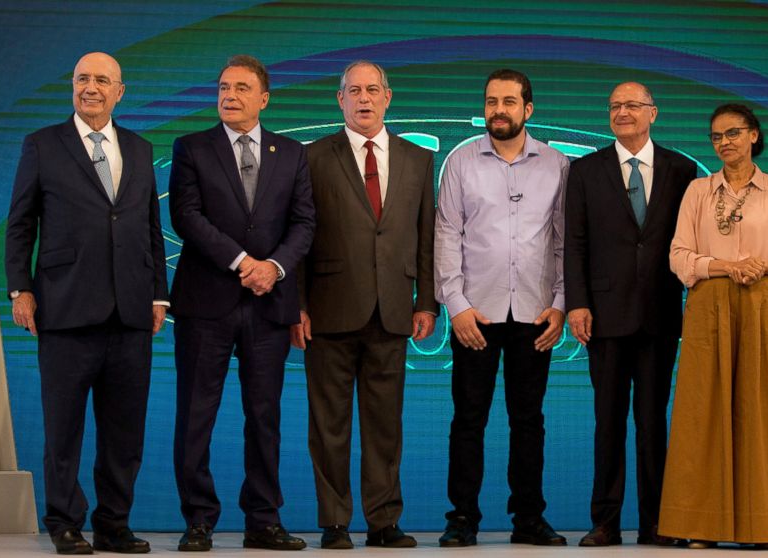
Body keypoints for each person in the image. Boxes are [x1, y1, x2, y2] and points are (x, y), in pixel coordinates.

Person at [4, 51, 167, 555]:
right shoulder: (42, 144)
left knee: (125, 431)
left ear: (120, 91)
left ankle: (114, 524)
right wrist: (20, 289)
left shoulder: (139, 148)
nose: (90, 87)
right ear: (72, 86)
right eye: (81, 79)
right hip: (64, 308)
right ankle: (64, 523)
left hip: (131, 313)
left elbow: (150, 227)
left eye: (101, 80)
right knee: (64, 428)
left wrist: (158, 294)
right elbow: (20, 223)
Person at [168, 54, 314, 552]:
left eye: (241, 88)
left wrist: (273, 268)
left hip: (269, 304)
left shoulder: (291, 153)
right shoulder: (191, 147)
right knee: (195, 414)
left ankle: (263, 520)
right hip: (205, 303)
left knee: (264, 416)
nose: (229, 95)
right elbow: (186, 216)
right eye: (224, 87)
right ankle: (198, 520)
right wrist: (241, 262)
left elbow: (304, 224)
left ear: (264, 98)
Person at [290, 60, 437, 550]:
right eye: (354, 91)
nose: (364, 98)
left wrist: (426, 301)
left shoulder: (418, 159)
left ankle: (383, 522)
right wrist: (297, 305)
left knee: (385, 426)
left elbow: (426, 236)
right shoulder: (311, 157)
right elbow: (299, 237)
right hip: (328, 311)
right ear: (340, 100)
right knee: (328, 425)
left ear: (388, 97)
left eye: (372, 89)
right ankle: (334, 522)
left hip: (393, 310)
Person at [658, 103, 768, 549]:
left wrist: (767, 265)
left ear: (754, 135)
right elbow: (679, 255)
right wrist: (724, 266)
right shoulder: (697, 191)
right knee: (703, 411)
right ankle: (702, 526)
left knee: (762, 407)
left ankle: (763, 526)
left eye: (733, 133)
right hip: (709, 304)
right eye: (716, 136)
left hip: (763, 302)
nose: (724, 142)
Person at [434, 69, 568, 548]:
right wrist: (456, 305)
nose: (499, 110)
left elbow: (564, 241)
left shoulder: (556, 165)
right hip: (477, 314)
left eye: (509, 102)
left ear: (528, 109)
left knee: (528, 420)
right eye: (492, 101)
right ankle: (462, 518)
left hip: (536, 314)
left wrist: (560, 304)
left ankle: (528, 518)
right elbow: (446, 234)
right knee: (468, 420)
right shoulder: (461, 162)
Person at [565, 81, 696, 547]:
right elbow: (574, 243)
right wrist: (577, 302)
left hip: (660, 312)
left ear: (653, 113)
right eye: (615, 105)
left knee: (653, 421)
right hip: (603, 315)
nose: (623, 112)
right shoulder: (585, 170)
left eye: (633, 105)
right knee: (608, 421)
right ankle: (605, 521)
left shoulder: (683, 170)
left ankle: (657, 521)